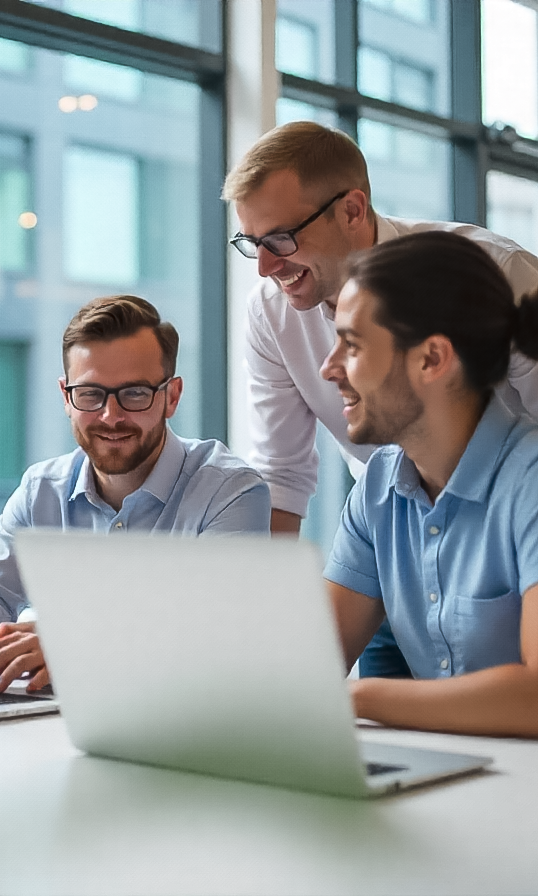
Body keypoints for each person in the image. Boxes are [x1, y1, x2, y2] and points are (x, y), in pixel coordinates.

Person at [222, 120, 538, 677]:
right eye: (252, 243)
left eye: (279, 239)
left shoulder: (494, 274)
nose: (265, 267)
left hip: (508, 554)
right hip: (397, 561)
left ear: (352, 210)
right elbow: (281, 477)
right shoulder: (378, 489)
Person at [0, 295, 270, 693]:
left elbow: (213, 631)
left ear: (171, 396)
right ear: (66, 397)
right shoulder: (42, 491)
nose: (111, 416)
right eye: (90, 394)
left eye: (135, 393)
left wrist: (70, 643)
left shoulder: (231, 492)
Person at [320, 231, 538, 737]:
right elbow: (308, 664)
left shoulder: (529, 481)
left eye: (351, 345)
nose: (328, 368)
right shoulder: (377, 487)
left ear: (432, 358)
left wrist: (357, 696)